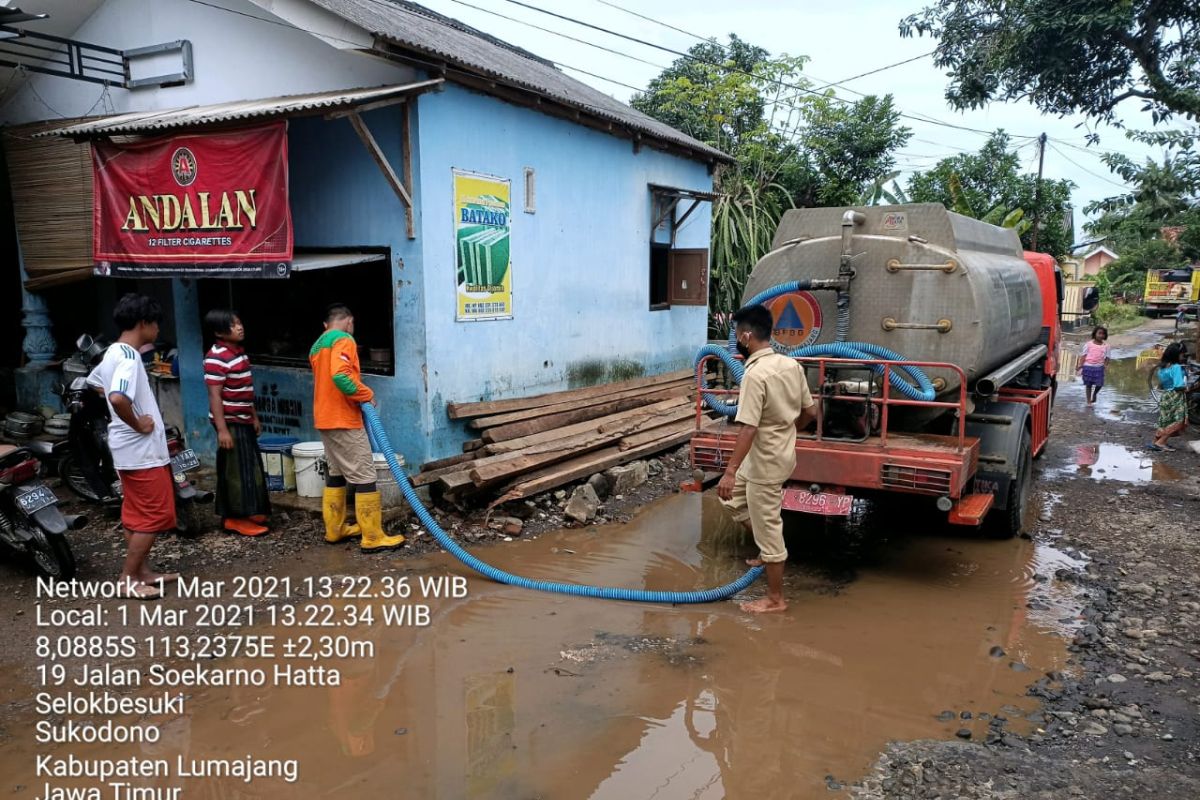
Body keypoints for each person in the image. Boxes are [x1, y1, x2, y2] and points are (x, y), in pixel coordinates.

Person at [717, 304, 816, 614]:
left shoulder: (755, 375)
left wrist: (730, 470)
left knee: (769, 526)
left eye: (736, 334)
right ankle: (765, 549)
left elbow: (748, 427)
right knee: (731, 500)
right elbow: (811, 412)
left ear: (747, 336)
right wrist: (787, 432)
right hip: (778, 454)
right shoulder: (791, 365)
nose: (736, 339)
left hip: (764, 462)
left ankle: (775, 599)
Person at [86, 293, 178, 600]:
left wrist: (125, 412)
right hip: (141, 450)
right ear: (144, 323)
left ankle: (142, 572)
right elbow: (117, 397)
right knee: (153, 515)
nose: (158, 331)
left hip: (126, 450)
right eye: (155, 324)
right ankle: (127, 578)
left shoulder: (112, 352)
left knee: (137, 514)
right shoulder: (128, 357)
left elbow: (96, 383)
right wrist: (139, 422)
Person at [309, 304, 404, 552]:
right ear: (349, 321)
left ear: (325, 325)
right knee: (365, 476)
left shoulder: (318, 345)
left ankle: (335, 529)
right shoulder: (344, 339)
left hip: (324, 418)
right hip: (343, 419)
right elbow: (340, 376)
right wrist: (365, 394)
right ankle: (372, 537)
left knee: (336, 472)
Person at [204, 309, 270, 536]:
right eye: (233, 325)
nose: (239, 327)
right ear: (220, 332)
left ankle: (250, 510)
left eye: (239, 323)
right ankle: (234, 518)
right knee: (235, 470)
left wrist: (254, 416)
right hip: (230, 422)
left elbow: (245, 391)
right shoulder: (216, 358)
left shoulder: (239, 353)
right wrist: (222, 430)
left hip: (243, 420)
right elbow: (215, 396)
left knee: (250, 467)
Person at [1150, 342, 1189, 451]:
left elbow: (1162, 384)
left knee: (1165, 420)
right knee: (1178, 422)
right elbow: (1178, 386)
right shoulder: (1176, 367)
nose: (1183, 356)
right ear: (1176, 354)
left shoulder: (1162, 367)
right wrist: (1186, 388)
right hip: (1175, 396)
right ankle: (1161, 442)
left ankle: (1155, 441)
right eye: (1181, 354)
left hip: (1166, 396)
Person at [1077, 325, 1110, 405]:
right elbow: (1084, 355)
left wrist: (1106, 365)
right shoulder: (1088, 344)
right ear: (1095, 334)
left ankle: (1095, 394)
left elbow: (1108, 357)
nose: (1101, 335)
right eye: (1099, 333)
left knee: (1100, 384)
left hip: (1099, 367)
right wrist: (1080, 365)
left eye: (1103, 334)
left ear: (1105, 335)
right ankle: (1088, 401)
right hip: (1088, 367)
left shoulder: (1106, 346)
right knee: (1088, 385)